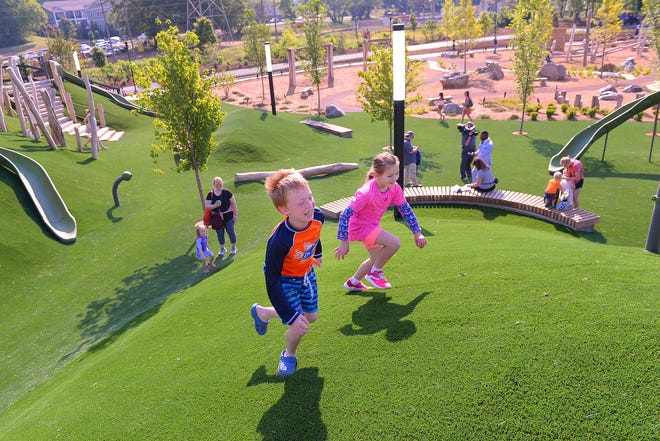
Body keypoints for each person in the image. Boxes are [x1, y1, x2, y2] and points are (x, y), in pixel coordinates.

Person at [250, 169, 324, 376]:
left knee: (312, 316)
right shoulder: (279, 241)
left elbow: (314, 235)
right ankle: (289, 355)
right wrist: (290, 316)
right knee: (298, 322)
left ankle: (263, 312)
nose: (309, 205)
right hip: (284, 280)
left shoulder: (317, 216)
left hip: (305, 273)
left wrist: (317, 253)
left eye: (310, 197)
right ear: (284, 210)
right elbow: (272, 281)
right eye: (301, 203)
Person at [334, 152, 427, 291]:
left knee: (376, 258)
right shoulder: (366, 193)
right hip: (359, 228)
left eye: (397, 173)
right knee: (394, 243)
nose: (394, 178)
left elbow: (405, 209)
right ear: (376, 174)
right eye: (390, 176)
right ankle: (375, 273)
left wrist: (417, 232)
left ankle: (353, 282)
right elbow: (344, 215)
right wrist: (344, 242)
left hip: (372, 226)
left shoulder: (394, 188)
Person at [205, 176, 239, 256]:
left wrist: (236, 215)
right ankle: (222, 248)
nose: (219, 184)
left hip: (228, 216)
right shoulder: (211, 194)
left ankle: (233, 247)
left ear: (222, 183)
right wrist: (215, 206)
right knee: (220, 233)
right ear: (214, 184)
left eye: (220, 182)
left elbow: (233, 204)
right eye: (217, 182)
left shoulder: (227, 192)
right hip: (216, 218)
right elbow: (207, 206)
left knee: (231, 231)